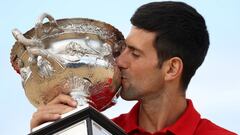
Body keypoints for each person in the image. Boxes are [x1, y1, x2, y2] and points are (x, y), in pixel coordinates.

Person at [30, 1, 237, 135]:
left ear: (171, 69)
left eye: (135, 54)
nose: (119, 61)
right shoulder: (97, 131)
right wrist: (50, 131)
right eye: (123, 49)